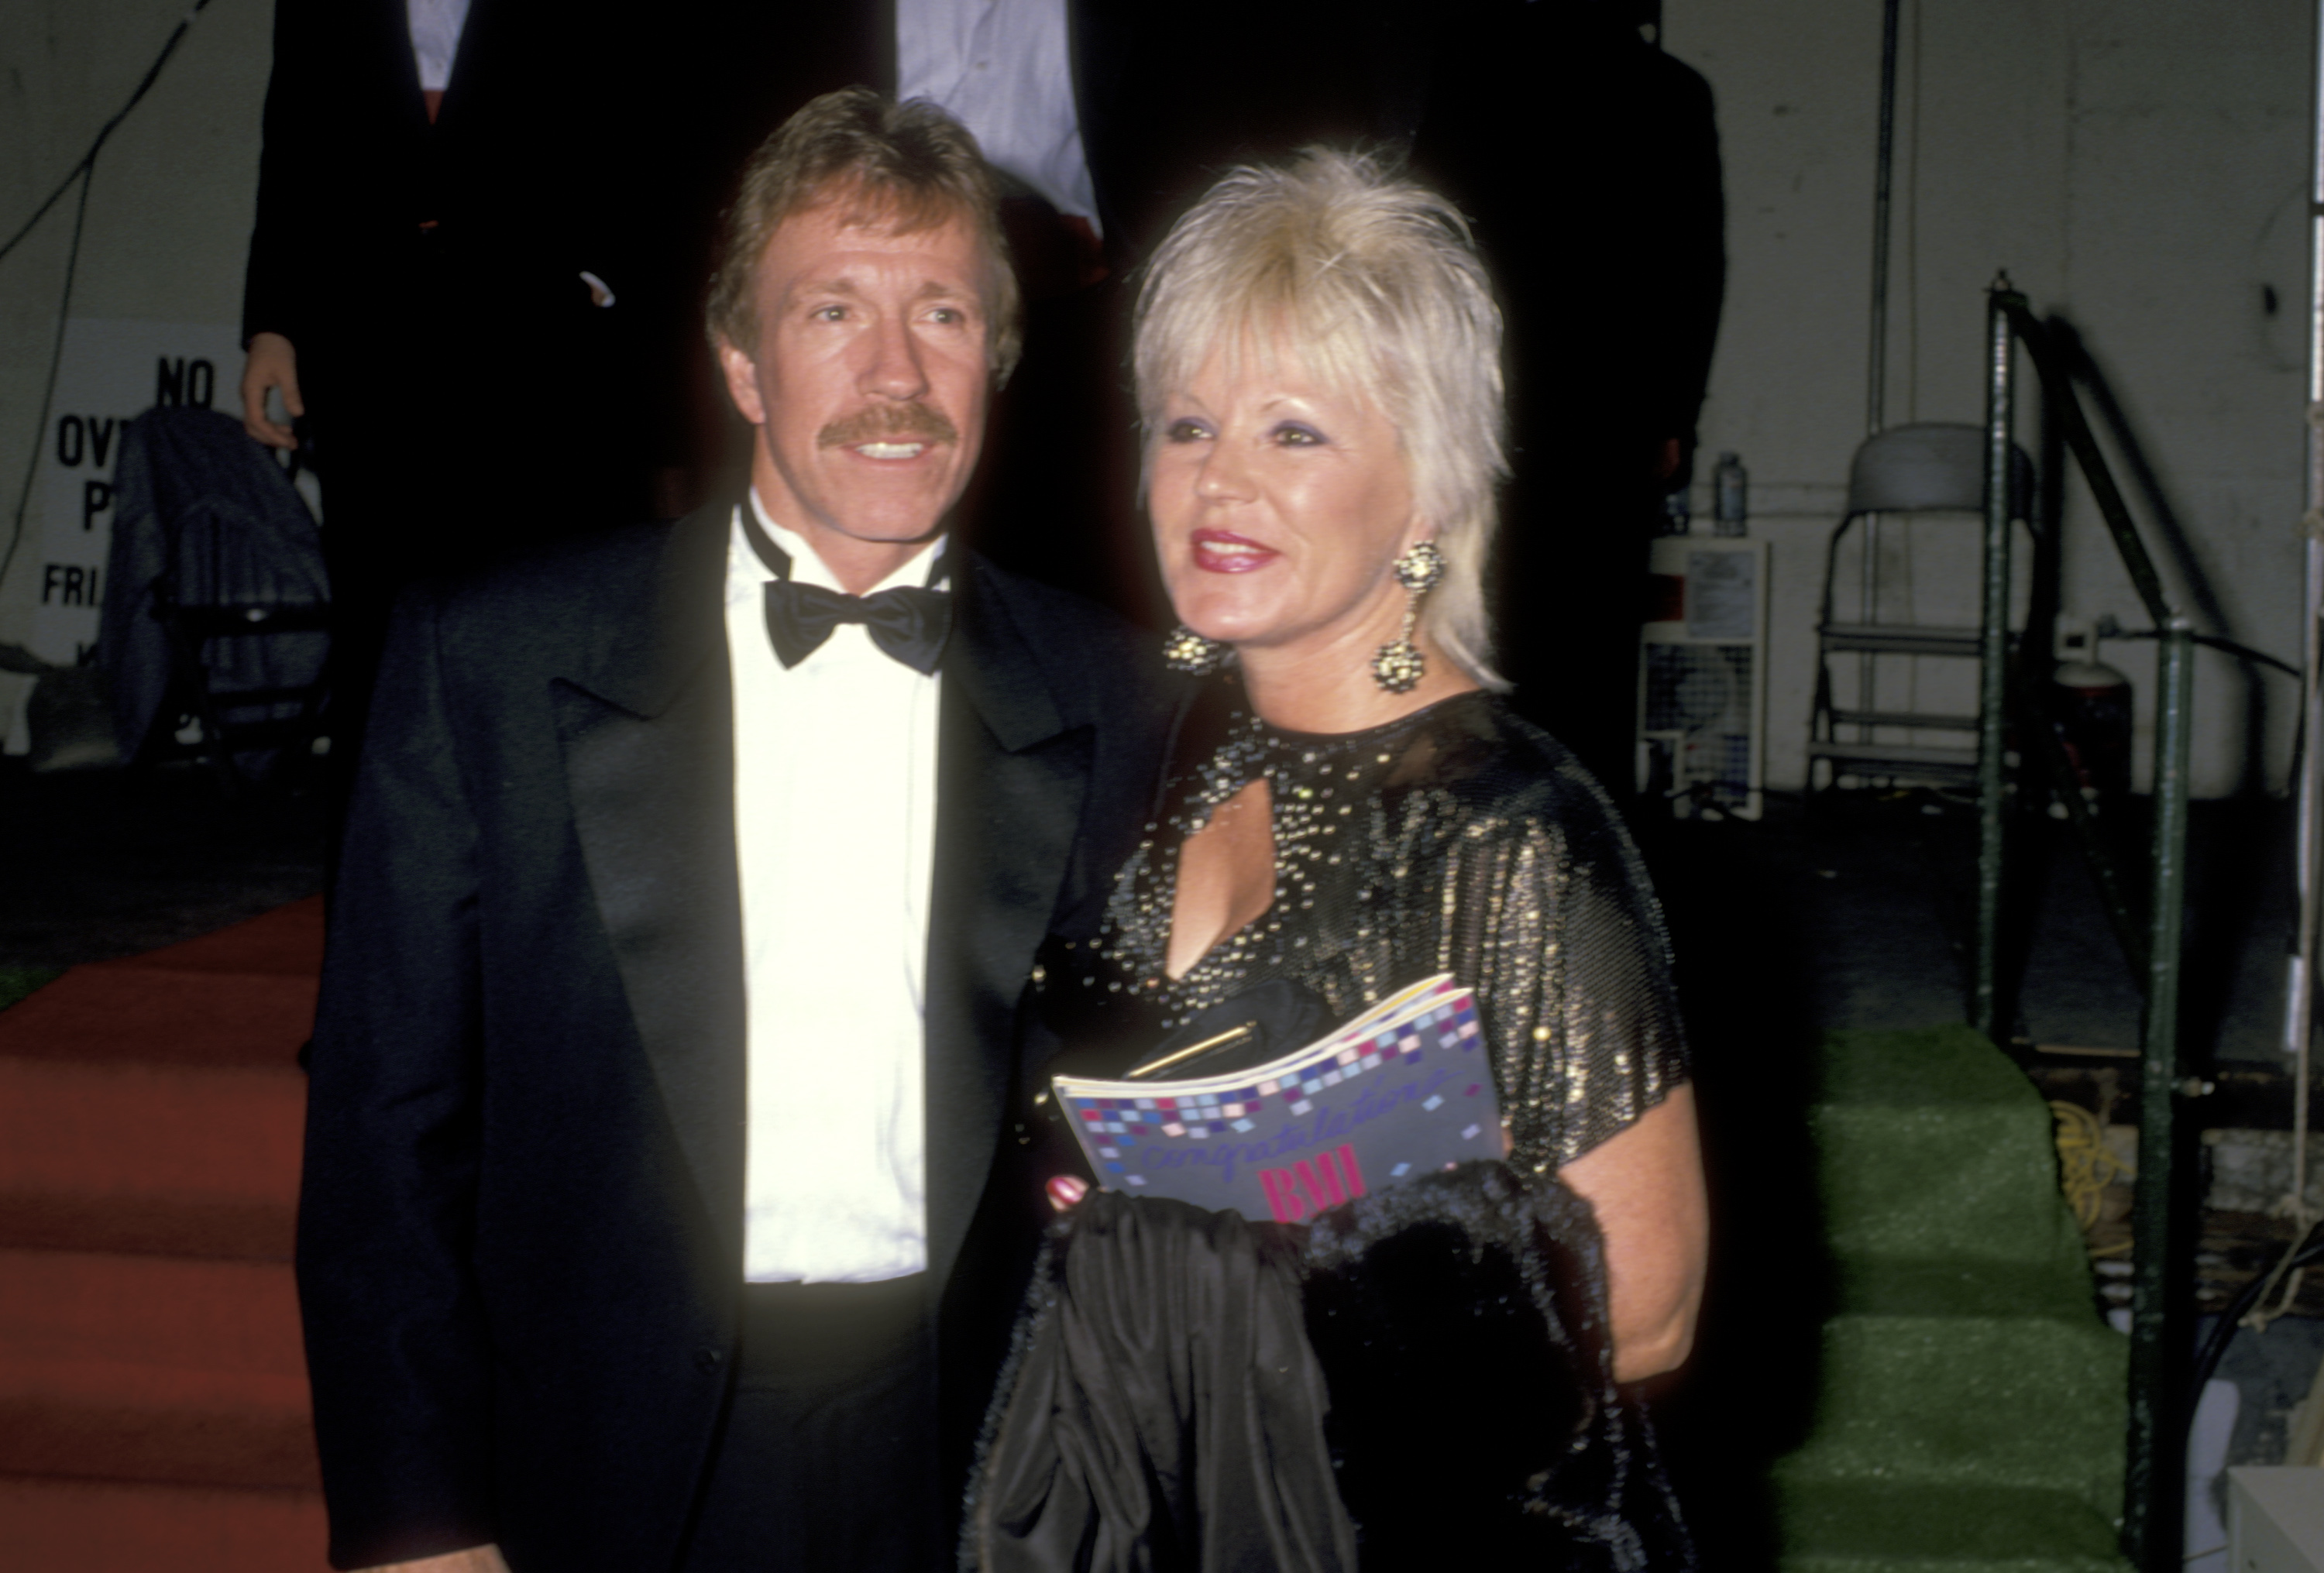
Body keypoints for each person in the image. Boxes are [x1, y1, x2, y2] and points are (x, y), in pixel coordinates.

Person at [297, 89, 1174, 1571]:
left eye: (944, 314)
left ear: (998, 359)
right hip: (611, 1454)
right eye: (833, 309)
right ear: (741, 366)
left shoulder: (1118, 697)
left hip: (988, 1461)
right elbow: (384, 1139)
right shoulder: (492, 661)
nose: (896, 372)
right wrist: (417, 1522)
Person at [970, 149, 1708, 1565]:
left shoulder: (1511, 830)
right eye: (1184, 425)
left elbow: (1653, 1308)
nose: (1218, 480)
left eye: (1294, 433)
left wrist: (1272, 1303)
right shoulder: (1163, 769)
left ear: (1424, 490)